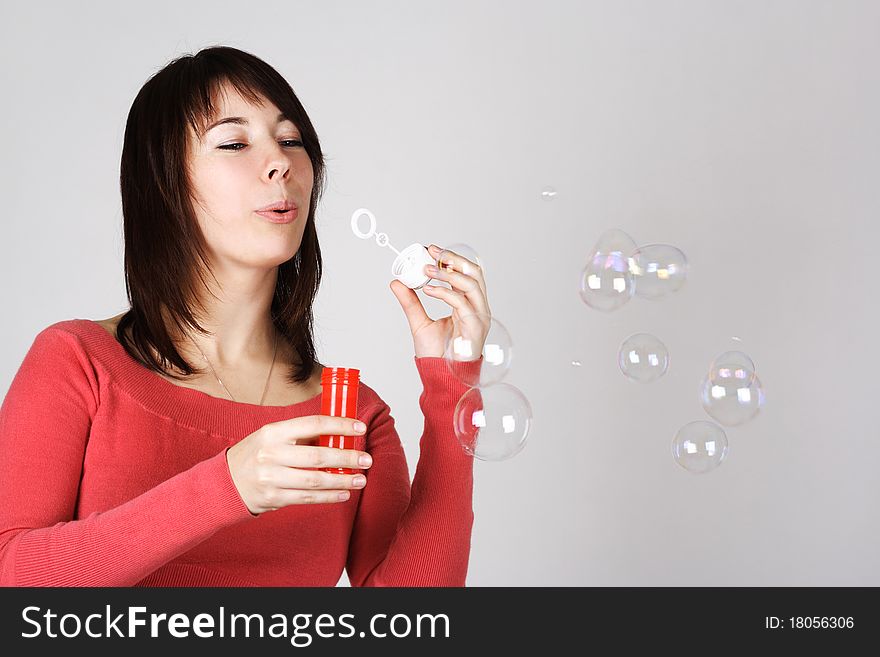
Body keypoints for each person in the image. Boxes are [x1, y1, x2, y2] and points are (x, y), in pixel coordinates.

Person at [0, 46, 491, 587]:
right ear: (165, 185)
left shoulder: (350, 415)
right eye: (234, 142)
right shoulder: (78, 362)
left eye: (290, 140)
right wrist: (227, 486)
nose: (280, 161)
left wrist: (453, 386)